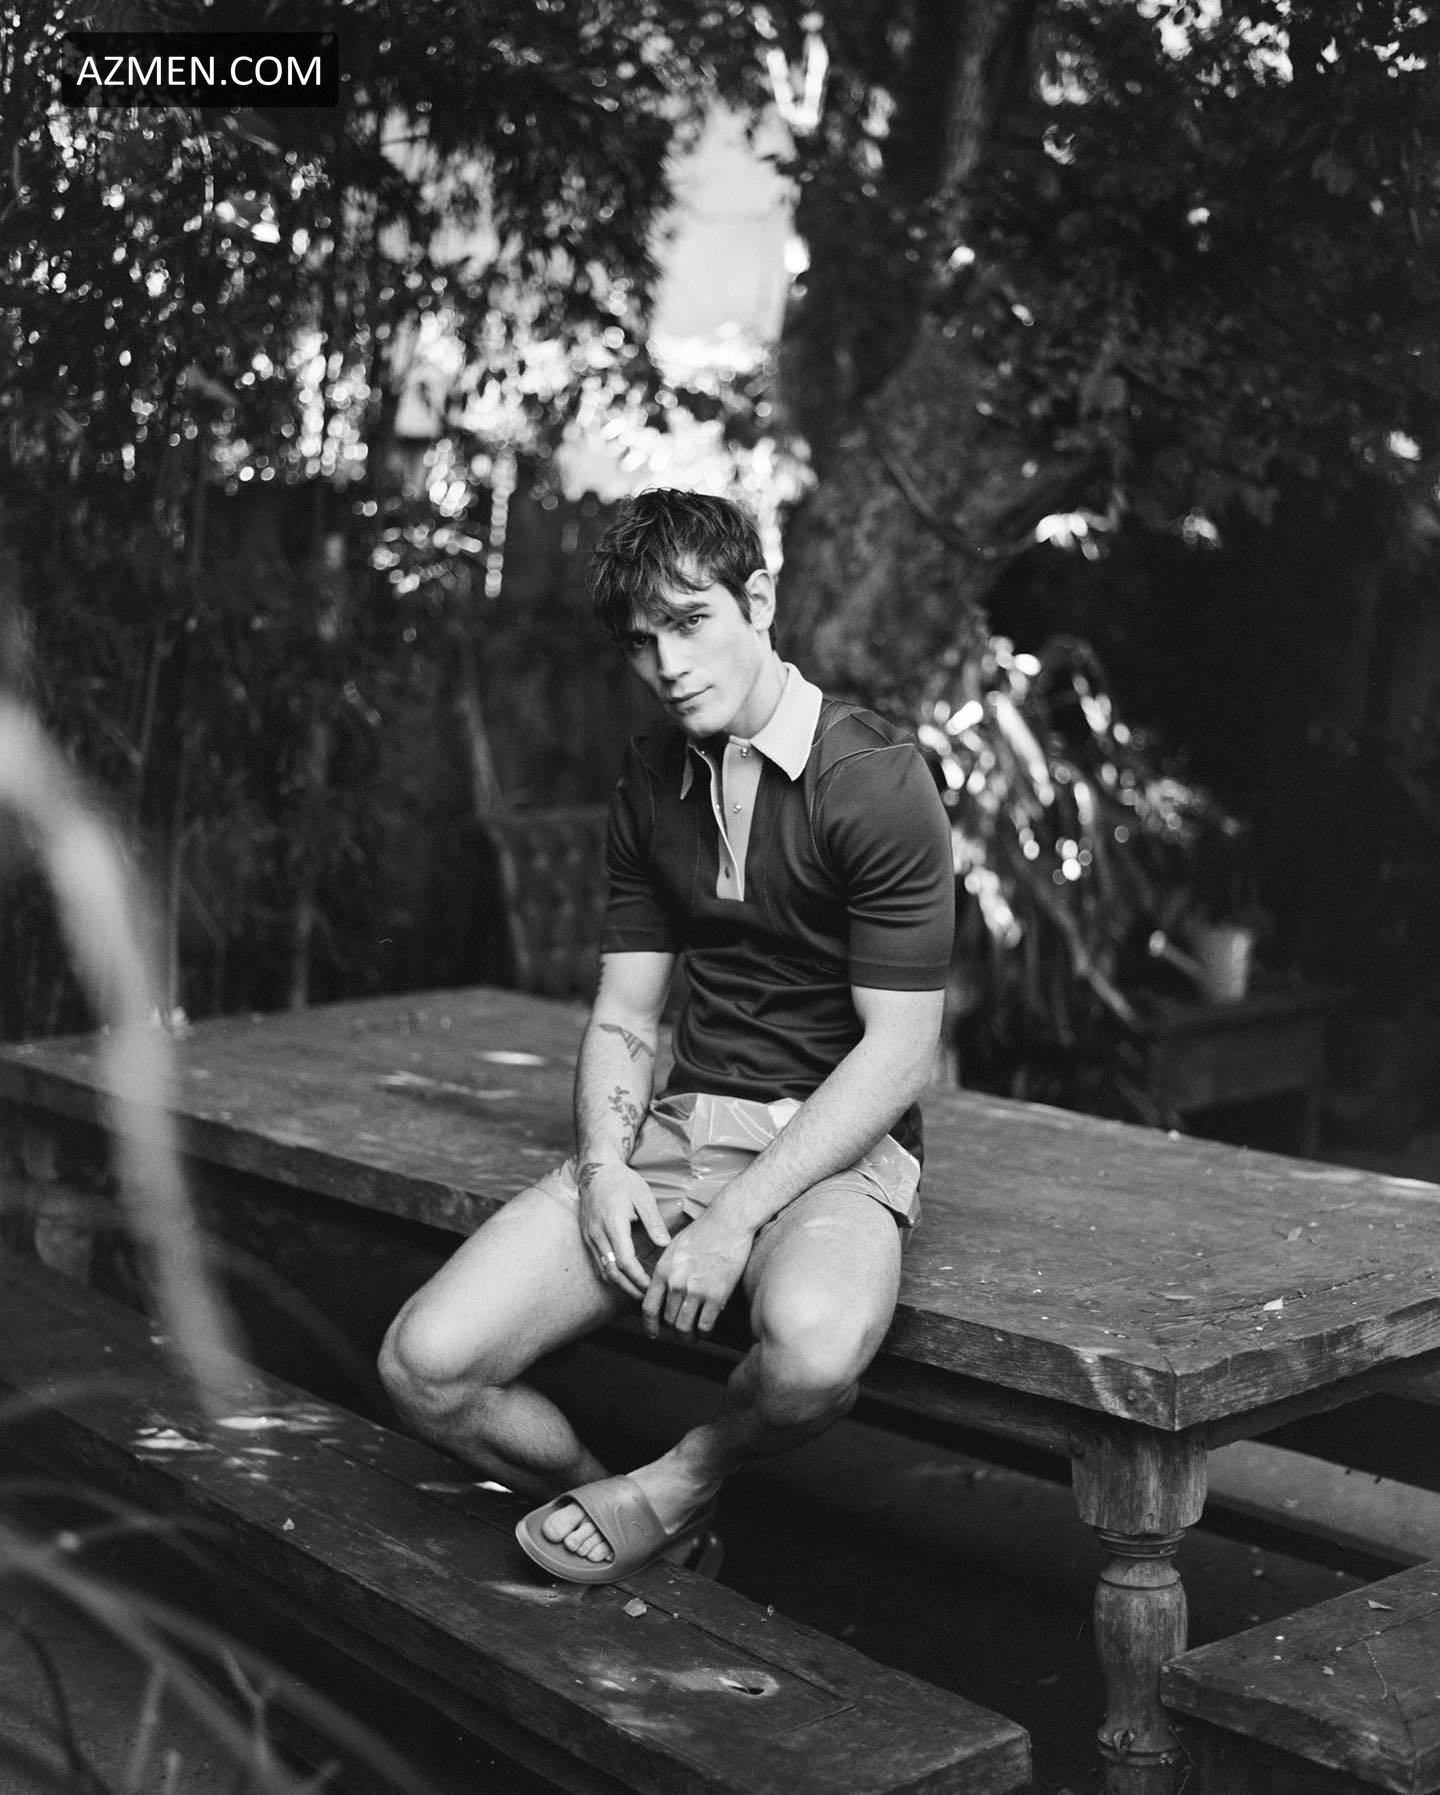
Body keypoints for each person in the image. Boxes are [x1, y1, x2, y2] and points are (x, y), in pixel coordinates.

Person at [378, 488, 955, 1583]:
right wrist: (604, 1165)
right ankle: (631, 1506)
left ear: (759, 601)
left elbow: (898, 1054)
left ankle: (681, 1479)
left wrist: (736, 1219)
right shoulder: (654, 772)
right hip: (680, 1131)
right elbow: (626, 1013)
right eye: (644, 643)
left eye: (691, 622)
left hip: (832, 1148)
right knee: (425, 1365)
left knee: (813, 1353)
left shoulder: (874, 781)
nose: (669, 665)